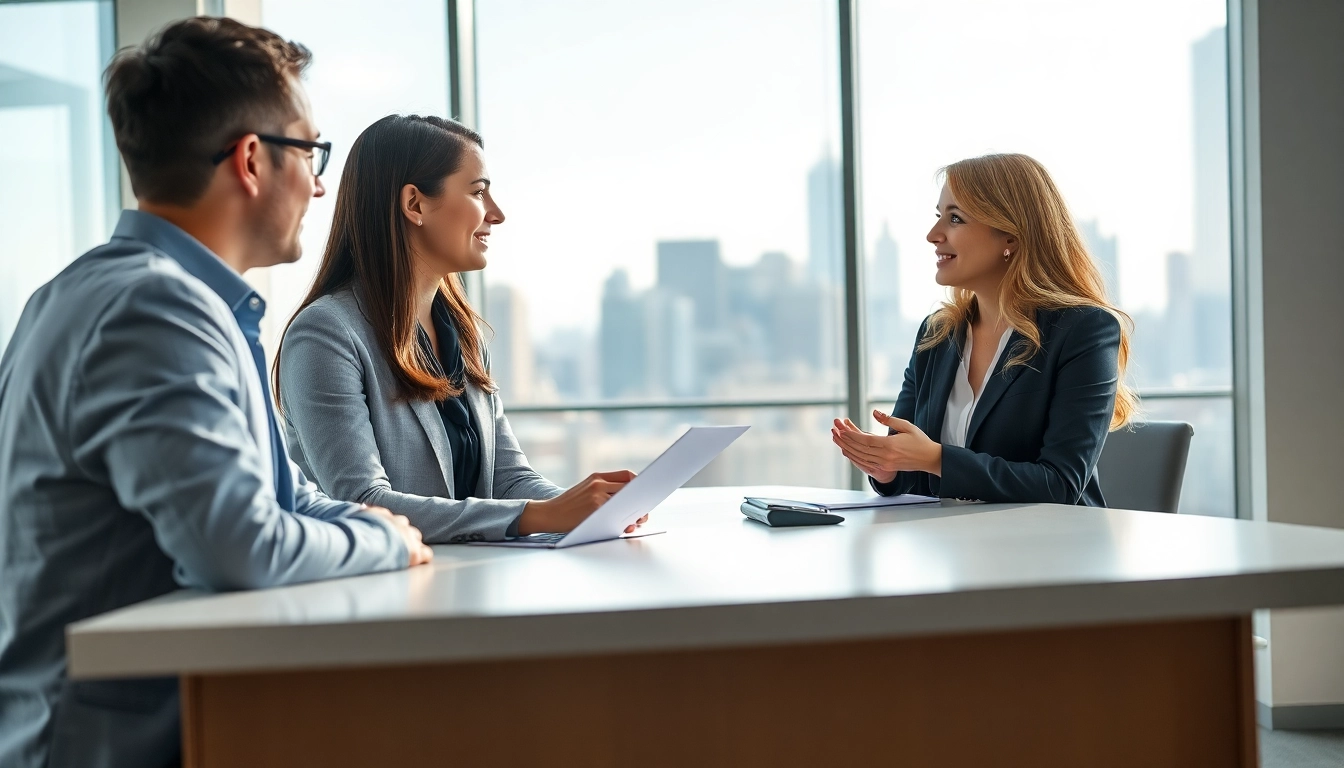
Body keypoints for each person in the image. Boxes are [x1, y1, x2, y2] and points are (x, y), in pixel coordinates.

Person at [0, 19, 431, 768]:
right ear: (253, 160)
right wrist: (383, 542)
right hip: (109, 744)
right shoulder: (154, 311)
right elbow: (238, 545)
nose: (321, 182)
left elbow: (284, 497)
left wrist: (378, 523)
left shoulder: (124, 296)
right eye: (311, 151)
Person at [275, 114, 643, 543]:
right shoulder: (325, 334)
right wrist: (542, 515)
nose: (497, 214)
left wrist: (588, 510)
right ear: (415, 204)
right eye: (478, 192)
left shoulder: (461, 332)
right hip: (380, 592)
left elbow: (508, 479)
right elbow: (364, 501)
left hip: (466, 582)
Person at [832, 153, 1138, 505]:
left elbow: (1061, 485)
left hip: (1052, 551)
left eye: (955, 219)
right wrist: (888, 468)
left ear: (1009, 236)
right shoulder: (937, 335)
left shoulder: (1084, 331)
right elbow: (912, 470)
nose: (934, 235)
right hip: (951, 549)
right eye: (938, 217)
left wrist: (935, 458)